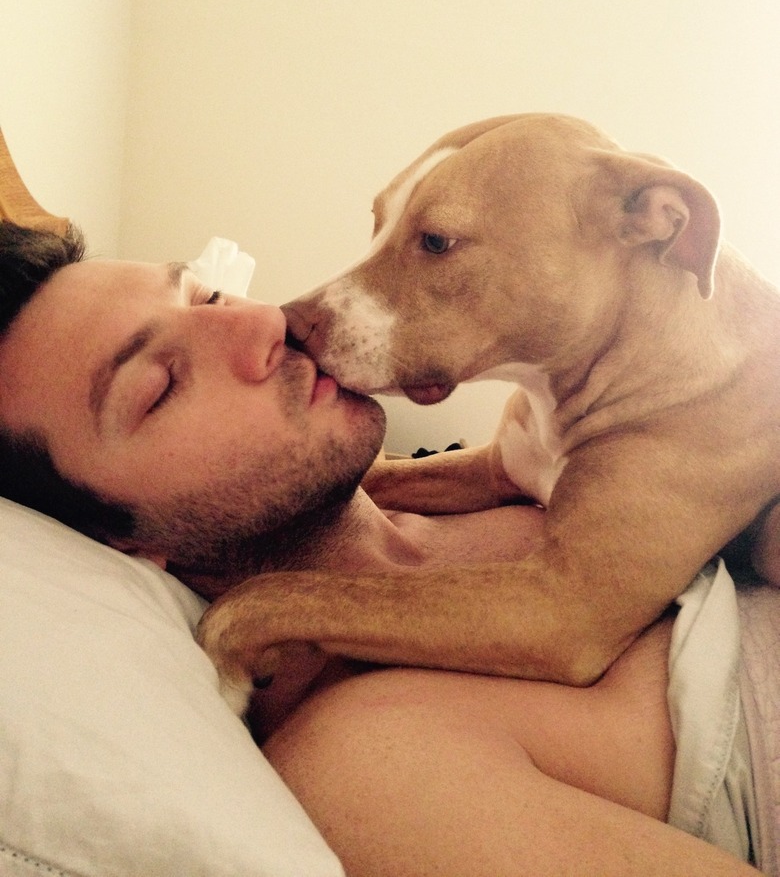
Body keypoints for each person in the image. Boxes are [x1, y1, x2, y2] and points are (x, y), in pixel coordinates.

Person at [0, 221, 772, 877]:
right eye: (161, 384)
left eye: (208, 295)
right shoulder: (365, 768)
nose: (270, 323)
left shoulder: (507, 471)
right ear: (126, 543)